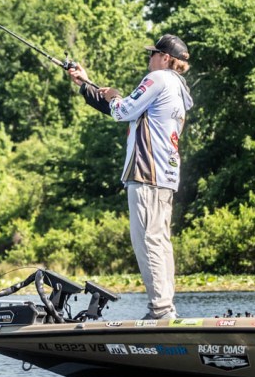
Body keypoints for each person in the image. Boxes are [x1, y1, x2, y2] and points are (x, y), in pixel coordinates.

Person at [67, 34, 194, 320]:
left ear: (165, 58)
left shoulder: (157, 78)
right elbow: (130, 111)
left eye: (153, 54)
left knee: (147, 242)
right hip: (165, 176)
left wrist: (114, 95)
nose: (149, 59)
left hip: (146, 173)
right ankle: (166, 307)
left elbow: (122, 110)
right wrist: (86, 85)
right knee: (160, 242)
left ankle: (160, 310)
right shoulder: (178, 88)